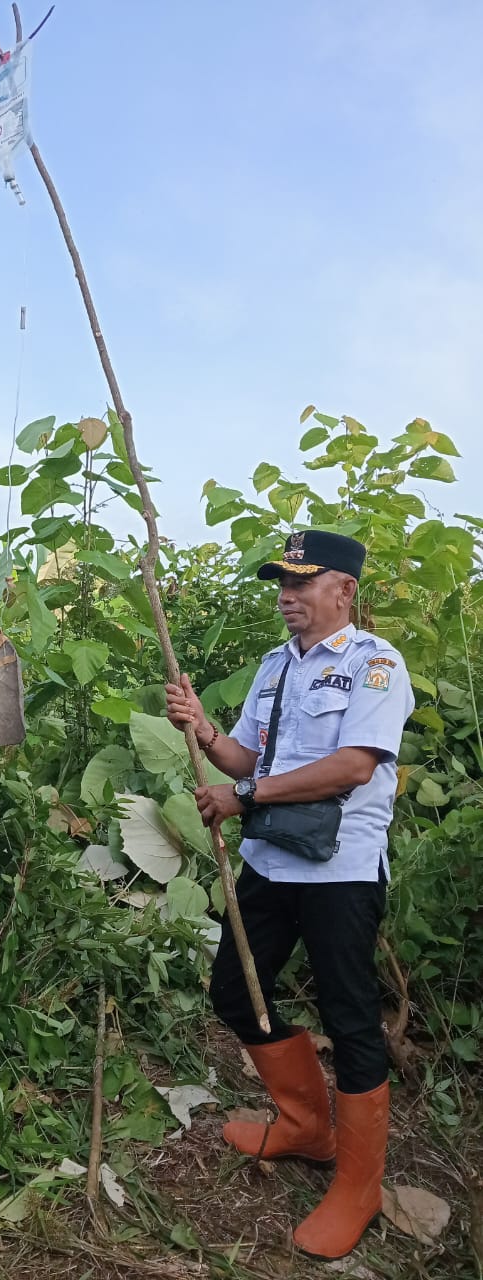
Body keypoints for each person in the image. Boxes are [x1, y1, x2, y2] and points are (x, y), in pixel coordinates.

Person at [165, 530, 413, 1259]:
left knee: (350, 1017)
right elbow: (245, 755)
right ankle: (306, 1127)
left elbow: (352, 766)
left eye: (302, 583)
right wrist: (203, 730)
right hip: (271, 862)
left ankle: (359, 1186)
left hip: (339, 872)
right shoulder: (274, 668)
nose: (286, 595)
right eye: (281, 581)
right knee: (236, 993)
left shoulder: (373, 664)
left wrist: (243, 793)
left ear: (344, 590)